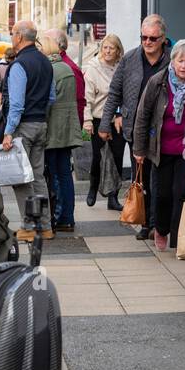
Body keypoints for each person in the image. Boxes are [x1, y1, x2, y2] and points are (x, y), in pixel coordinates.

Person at [99, 13, 169, 241]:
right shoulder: (129, 59)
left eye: (153, 38)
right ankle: (147, 223)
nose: (148, 42)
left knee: (160, 180)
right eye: (144, 37)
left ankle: (160, 223)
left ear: (163, 38)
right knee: (141, 178)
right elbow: (114, 93)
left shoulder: (171, 60)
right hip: (135, 128)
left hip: (163, 129)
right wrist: (105, 123)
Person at [133, 40, 185, 251]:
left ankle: (179, 238)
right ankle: (161, 229)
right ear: (173, 61)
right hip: (161, 148)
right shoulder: (158, 81)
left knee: (182, 192)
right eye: (180, 61)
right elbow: (143, 116)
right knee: (162, 194)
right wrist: (139, 149)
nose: (184, 66)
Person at [0, 21, 54, 237]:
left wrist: (8, 132)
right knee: (38, 177)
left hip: (23, 126)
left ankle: (29, 227)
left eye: (12, 33)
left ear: (20, 37)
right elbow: (52, 97)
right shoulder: (46, 61)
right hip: (41, 123)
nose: (11, 37)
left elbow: (16, 104)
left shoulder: (19, 65)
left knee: (20, 179)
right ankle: (45, 227)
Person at [42, 34, 85, 234]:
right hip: (66, 127)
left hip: (53, 128)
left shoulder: (50, 70)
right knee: (65, 173)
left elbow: (48, 102)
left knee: (54, 174)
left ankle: (59, 216)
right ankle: (67, 217)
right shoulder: (67, 68)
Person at [83, 34, 124, 211]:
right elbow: (87, 98)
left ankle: (113, 197)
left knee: (117, 158)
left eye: (111, 48)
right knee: (98, 157)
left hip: (118, 120)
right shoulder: (93, 68)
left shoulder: (122, 68)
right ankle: (93, 187)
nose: (107, 51)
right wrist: (87, 120)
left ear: (118, 51)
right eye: (105, 47)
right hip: (99, 119)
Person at [46, 29, 85, 125]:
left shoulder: (70, 68)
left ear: (57, 45)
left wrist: (75, 128)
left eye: (46, 41)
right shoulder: (51, 64)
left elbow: (79, 101)